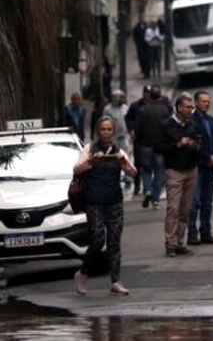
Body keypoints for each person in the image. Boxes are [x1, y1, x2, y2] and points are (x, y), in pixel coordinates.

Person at [72, 116, 137, 295]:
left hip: (114, 200)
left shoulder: (119, 151)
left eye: (109, 130)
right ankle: (83, 273)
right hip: (94, 201)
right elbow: (76, 169)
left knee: (114, 241)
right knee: (98, 239)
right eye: (103, 129)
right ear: (97, 131)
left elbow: (133, 172)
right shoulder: (89, 148)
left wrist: (122, 162)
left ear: (113, 132)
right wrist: (91, 161)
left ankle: (115, 281)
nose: (106, 133)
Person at [156, 93, 207, 257]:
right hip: (174, 171)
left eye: (191, 107)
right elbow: (158, 147)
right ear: (178, 108)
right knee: (173, 208)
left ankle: (179, 241)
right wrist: (178, 144)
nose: (190, 109)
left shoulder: (192, 124)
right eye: (187, 107)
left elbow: (200, 142)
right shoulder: (166, 125)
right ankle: (170, 243)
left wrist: (195, 145)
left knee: (186, 209)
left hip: (191, 170)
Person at [188, 91, 213, 245]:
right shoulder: (191, 121)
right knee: (195, 201)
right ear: (196, 102)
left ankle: (206, 231)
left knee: (208, 201)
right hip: (198, 165)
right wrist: (207, 157)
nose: (206, 104)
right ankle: (192, 233)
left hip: (211, 166)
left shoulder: (212, 121)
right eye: (203, 101)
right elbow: (194, 145)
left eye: (208, 101)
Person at [134, 85, 171, 209]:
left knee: (146, 169)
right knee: (160, 170)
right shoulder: (165, 110)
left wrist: (139, 141)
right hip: (160, 145)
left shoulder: (142, 110)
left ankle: (147, 189)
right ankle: (155, 198)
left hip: (146, 144)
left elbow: (137, 129)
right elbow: (168, 128)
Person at [132, 13, 150, 79]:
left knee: (147, 59)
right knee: (141, 59)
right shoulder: (136, 27)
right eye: (140, 18)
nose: (141, 19)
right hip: (140, 45)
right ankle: (143, 70)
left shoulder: (147, 26)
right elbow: (134, 36)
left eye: (142, 18)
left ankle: (147, 73)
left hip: (147, 45)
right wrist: (137, 44)